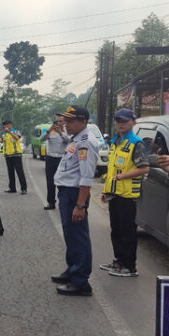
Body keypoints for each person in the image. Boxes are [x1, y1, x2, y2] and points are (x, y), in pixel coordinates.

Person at [50, 106, 99, 296]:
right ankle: (72, 271)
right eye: (65, 121)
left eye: (70, 121)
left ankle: (81, 281)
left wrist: (80, 205)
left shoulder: (86, 143)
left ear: (83, 122)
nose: (66, 124)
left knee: (78, 237)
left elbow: (86, 178)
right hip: (66, 192)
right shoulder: (75, 139)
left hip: (74, 194)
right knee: (70, 235)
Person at [99, 109, 149, 278]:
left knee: (127, 231)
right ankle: (119, 261)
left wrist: (121, 177)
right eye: (118, 120)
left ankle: (129, 266)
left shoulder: (137, 143)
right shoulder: (116, 142)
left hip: (128, 195)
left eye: (125, 121)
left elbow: (144, 168)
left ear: (133, 122)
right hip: (115, 193)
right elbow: (111, 169)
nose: (121, 123)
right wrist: (106, 190)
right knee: (116, 230)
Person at [41, 115, 71, 210]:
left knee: (62, 182)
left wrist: (60, 132)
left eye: (61, 121)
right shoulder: (51, 131)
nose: (58, 123)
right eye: (57, 121)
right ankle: (51, 202)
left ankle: (63, 202)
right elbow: (41, 139)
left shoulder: (68, 131)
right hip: (50, 158)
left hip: (62, 159)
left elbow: (68, 141)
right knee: (50, 181)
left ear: (64, 122)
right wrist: (49, 131)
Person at [2, 120, 27, 194]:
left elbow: (16, 138)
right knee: (10, 172)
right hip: (8, 155)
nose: (5, 126)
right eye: (4, 125)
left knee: (20, 172)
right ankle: (12, 188)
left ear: (10, 125)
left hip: (16, 155)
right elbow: (1, 141)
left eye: (7, 125)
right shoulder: (4, 134)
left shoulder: (16, 131)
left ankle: (24, 189)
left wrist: (9, 132)